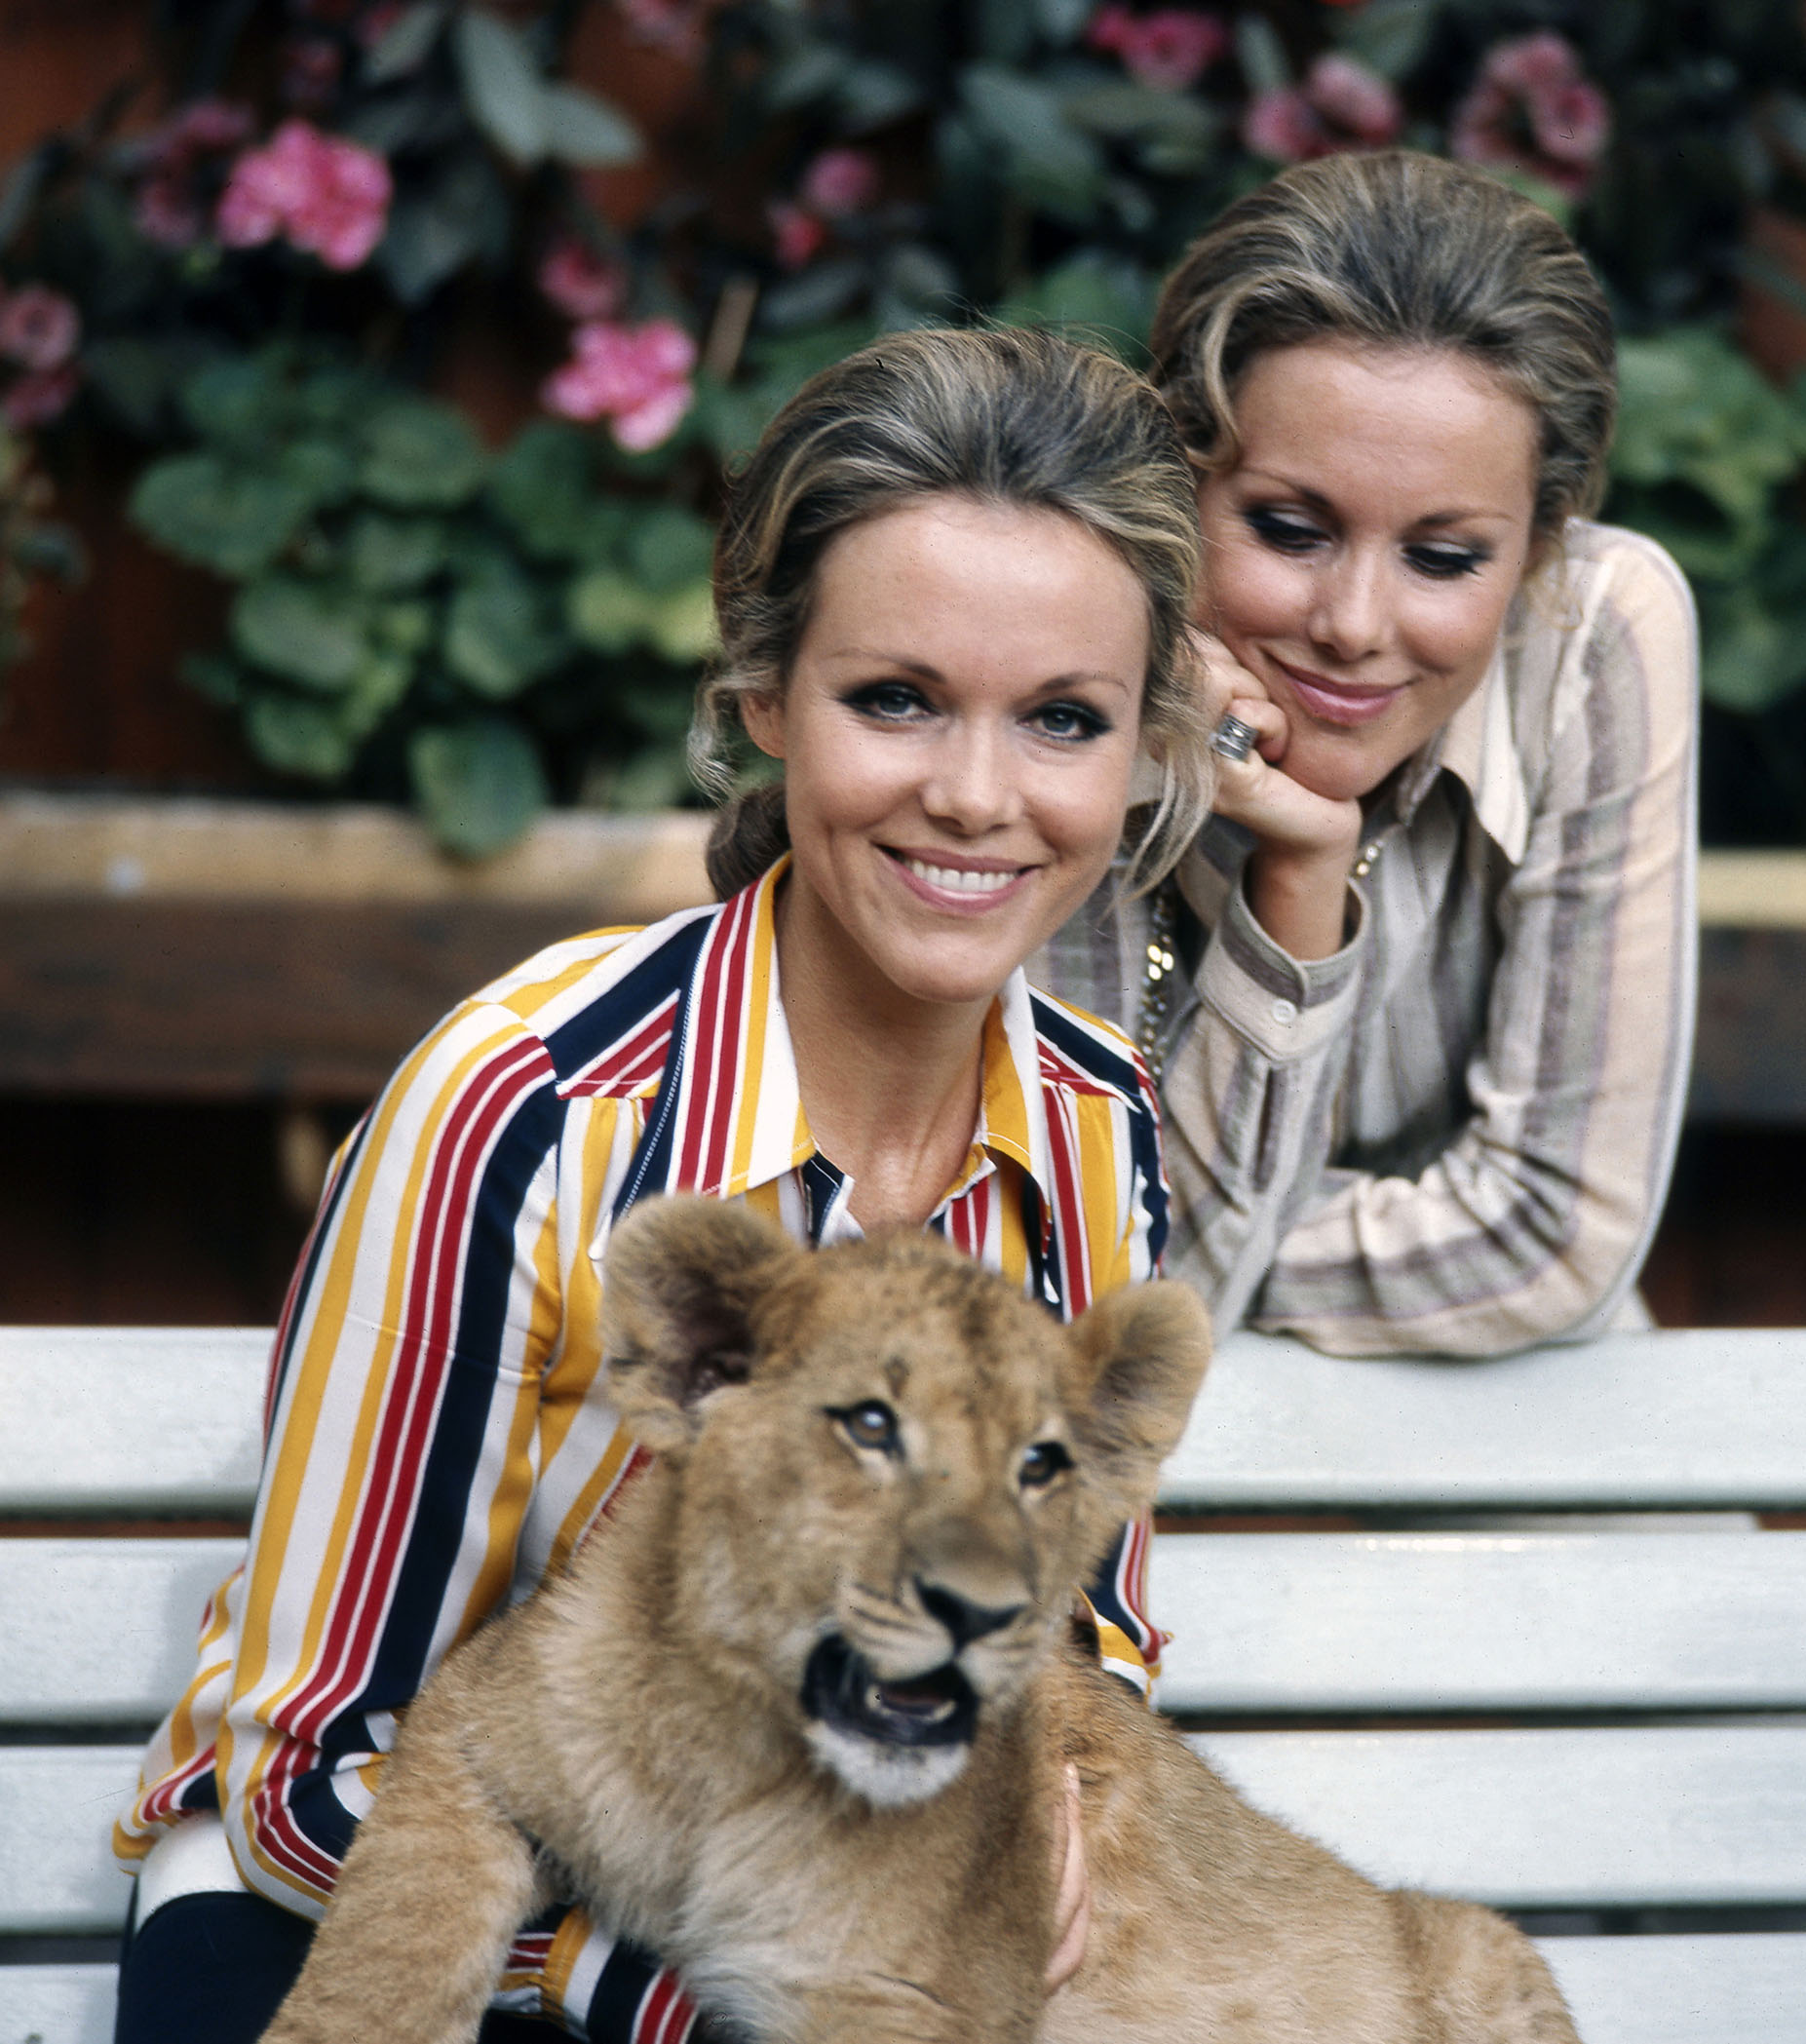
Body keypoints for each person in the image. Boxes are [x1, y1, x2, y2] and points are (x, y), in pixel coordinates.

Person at [113, 324, 1211, 2044]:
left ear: (1145, 746)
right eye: (896, 698)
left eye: (1064, 718)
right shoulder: (535, 1109)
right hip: (385, 1913)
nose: (978, 797)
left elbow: (1084, 1617)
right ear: (766, 696)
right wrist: (668, 1990)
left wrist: (1059, 1811)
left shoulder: (1096, 1127)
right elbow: (307, 1763)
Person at [1040, 148, 1698, 1356]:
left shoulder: (1596, 632)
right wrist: (1285, 874)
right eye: (1290, 530)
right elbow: (1071, 1266)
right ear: (1177, 487)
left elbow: (1553, 1237)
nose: (1352, 624)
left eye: (1444, 559)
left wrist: (1189, 1256)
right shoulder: (1064, 645)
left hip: (1509, 1401)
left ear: (1541, 547)